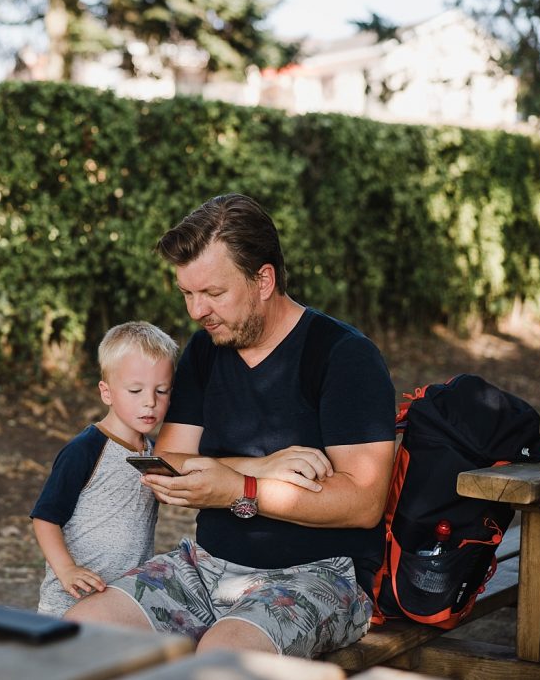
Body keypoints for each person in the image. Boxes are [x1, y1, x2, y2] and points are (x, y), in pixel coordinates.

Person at [65, 194, 398, 659]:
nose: (197, 311)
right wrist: (258, 469)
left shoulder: (344, 357)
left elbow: (364, 501)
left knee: (224, 660)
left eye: (214, 294)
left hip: (320, 575)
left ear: (264, 279)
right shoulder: (205, 351)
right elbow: (165, 465)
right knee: (81, 629)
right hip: (204, 567)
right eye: (187, 294)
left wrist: (238, 489)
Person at [30, 321, 179, 616]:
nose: (150, 402)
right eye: (135, 390)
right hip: (70, 600)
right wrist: (67, 569)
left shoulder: (153, 452)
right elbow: (45, 518)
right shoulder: (84, 449)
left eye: (161, 391)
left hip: (123, 602)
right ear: (106, 392)